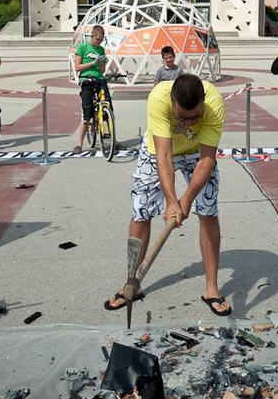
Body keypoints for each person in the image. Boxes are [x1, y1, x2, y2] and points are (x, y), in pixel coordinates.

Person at [104, 74, 231, 316]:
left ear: (203, 103)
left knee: (208, 211)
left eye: (196, 116)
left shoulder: (214, 103)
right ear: (173, 104)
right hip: (159, 151)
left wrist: (186, 200)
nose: (190, 122)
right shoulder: (159, 98)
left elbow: (207, 159)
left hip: (197, 154)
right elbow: (163, 156)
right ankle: (132, 283)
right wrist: (172, 200)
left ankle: (211, 289)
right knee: (141, 211)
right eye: (183, 117)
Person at [73, 25, 111, 154]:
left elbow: (102, 70)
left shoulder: (101, 49)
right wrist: (92, 63)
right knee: (87, 114)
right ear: (92, 36)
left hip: (99, 79)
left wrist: (101, 63)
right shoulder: (82, 47)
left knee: (108, 106)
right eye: (97, 39)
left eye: (101, 40)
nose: (99, 42)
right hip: (86, 80)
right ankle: (79, 143)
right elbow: (77, 67)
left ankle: (112, 136)